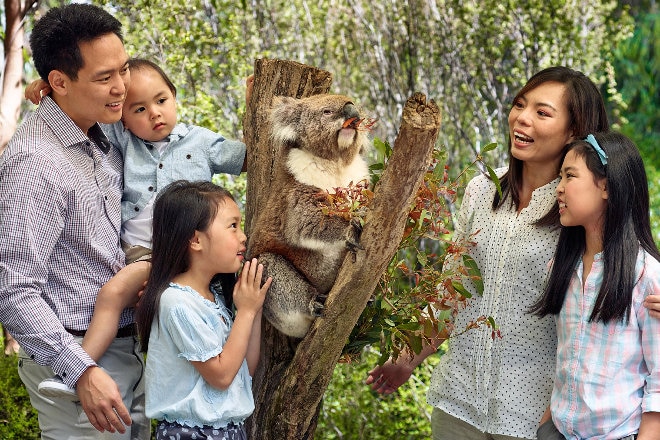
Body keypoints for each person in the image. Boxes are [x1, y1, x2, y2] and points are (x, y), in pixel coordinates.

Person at [366, 66, 611, 440]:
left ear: (575, 132)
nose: (522, 118)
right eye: (519, 105)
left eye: (542, 113)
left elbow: (620, 288)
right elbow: (453, 289)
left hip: (537, 418)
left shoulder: (580, 206)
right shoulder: (482, 189)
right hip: (458, 406)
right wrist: (408, 358)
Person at [33, 57, 248, 400]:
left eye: (161, 101)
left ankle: (80, 370)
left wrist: (256, 106)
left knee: (127, 297)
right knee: (123, 300)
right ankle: (78, 369)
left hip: (185, 251)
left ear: (174, 97)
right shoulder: (122, 140)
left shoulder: (202, 141)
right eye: (139, 109)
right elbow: (83, 111)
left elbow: (249, 158)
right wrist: (48, 93)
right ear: (124, 117)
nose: (154, 114)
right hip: (140, 254)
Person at [0, 3, 150, 438]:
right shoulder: (35, 162)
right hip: (78, 357)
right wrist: (81, 371)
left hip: (128, 347)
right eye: (105, 78)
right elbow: (13, 290)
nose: (122, 87)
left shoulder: (103, 132)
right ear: (59, 83)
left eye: (123, 69)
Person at [533, 132, 660, 440]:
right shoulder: (563, 268)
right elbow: (567, 357)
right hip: (558, 431)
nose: (559, 188)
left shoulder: (645, 275)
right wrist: (546, 426)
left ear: (605, 186)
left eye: (570, 176)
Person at [135, 180, 271, 440]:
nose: (243, 236)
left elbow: (244, 369)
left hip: (231, 431)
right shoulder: (176, 302)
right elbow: (220, 376)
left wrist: (253, 309)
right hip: (191, 433)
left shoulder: (214, 298)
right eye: (233, 226)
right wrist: (245, 312)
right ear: (196, 240)